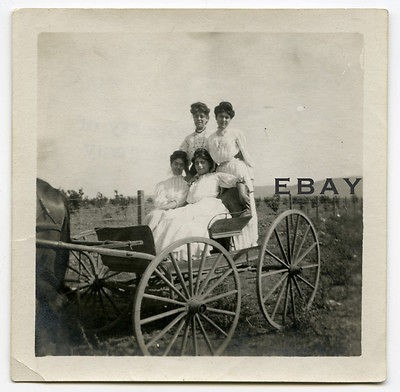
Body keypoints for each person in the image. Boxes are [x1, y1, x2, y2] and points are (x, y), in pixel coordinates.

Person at [152, 148, 248, 256]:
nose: (199, 165)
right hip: (193, 207)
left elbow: (238, 180)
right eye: (197, 163)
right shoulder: (194, 181)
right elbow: (187, 201)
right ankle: (162, 253)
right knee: (168, 217)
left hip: (209, 207)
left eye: (203, 162)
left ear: (209, 163)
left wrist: (243, 195)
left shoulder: (216, 176)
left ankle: (181, 254)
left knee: (184, 225)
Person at [207, 101, 258, 248]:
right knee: (224, 207)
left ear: (230, 119)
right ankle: (229, 245)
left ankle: (246, 245)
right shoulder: (211, 138)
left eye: (227, 117)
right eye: (221, 116)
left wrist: (250, 177)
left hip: (236, 170)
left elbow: (245, 155)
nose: (223, 120)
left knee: (242, 207)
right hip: (220, 173)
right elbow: (211, 160)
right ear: (215, 117)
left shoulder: (236, 133)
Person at [144, 151, 189, 231]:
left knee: (159, 215)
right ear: (171, 164)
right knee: (155, 215)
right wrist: (162, 207)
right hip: (163, 209)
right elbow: (159, 200)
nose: (178, 167)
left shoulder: (185, 184)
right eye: (176, 163)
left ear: (184, 167)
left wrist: (162, 208)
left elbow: (179, 202)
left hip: (179, 211)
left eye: (181, 165)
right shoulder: (164, 183)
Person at [179, 102, 210, 177]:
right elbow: (182, 157)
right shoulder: (188, 139)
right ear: (193, 118)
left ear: (207, 118)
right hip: (194, 172)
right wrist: (188, 173)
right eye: (196, 116)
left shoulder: (212, 136)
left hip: (211, 171)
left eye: (201, 116)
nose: (199, 119)